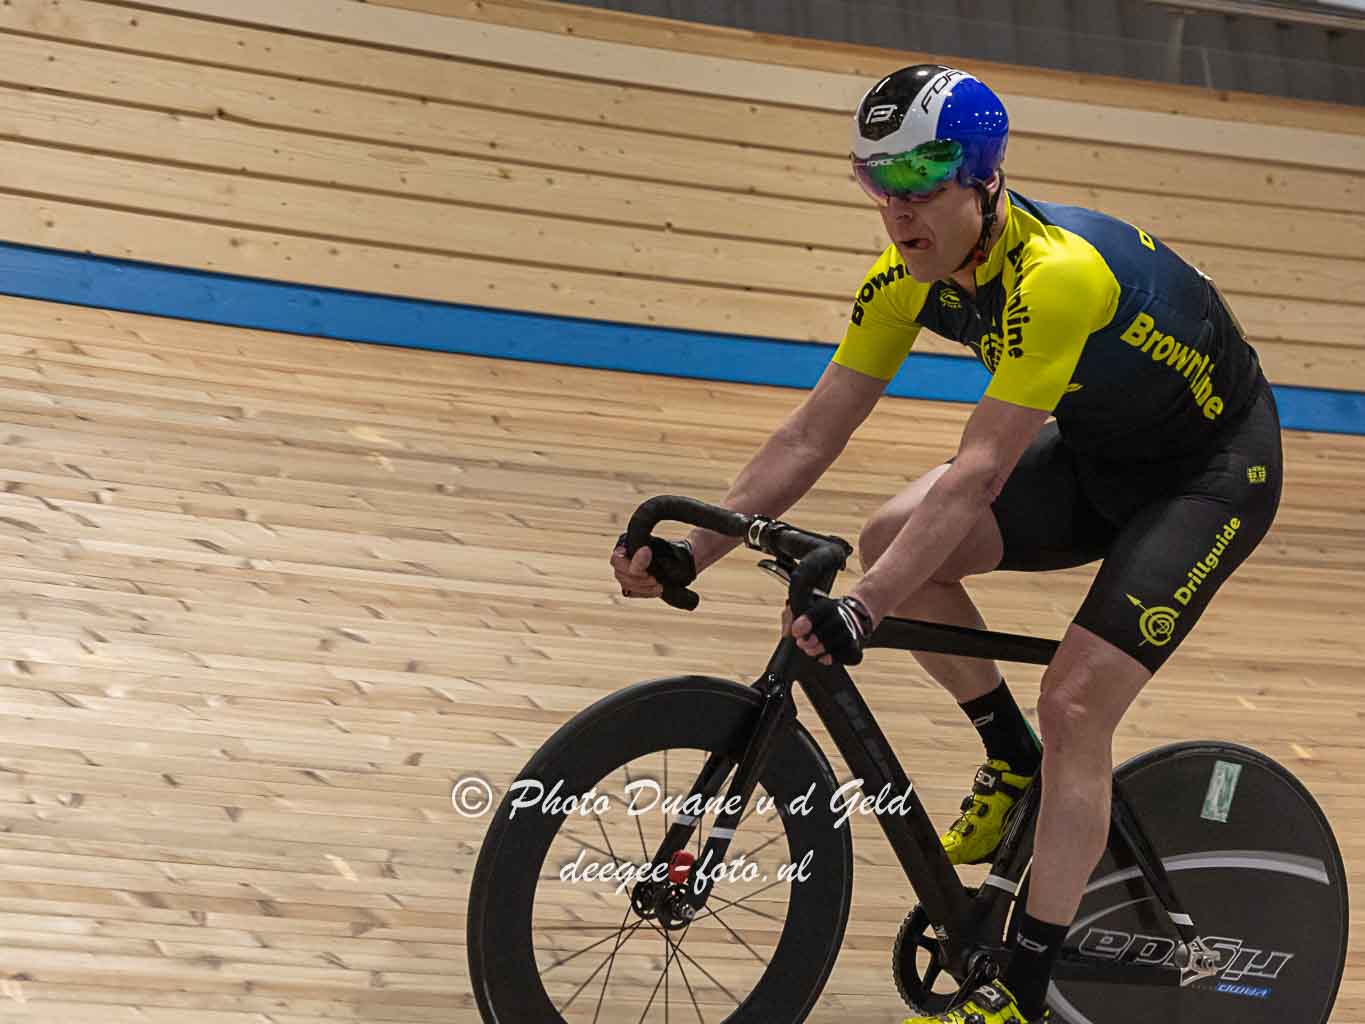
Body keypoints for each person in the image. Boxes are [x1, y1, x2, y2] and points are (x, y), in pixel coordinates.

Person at [610, 64, 1282, 1024]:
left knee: (1076, 700)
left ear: (981, 178)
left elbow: (978, 474)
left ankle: (1021, 989)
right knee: (892, 536)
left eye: (919, 181)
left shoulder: (1057, 277)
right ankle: (1008, 755)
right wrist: (695, 550)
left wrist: (864, 605)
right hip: (1100, 456)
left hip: (1207, 478)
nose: (896, 208)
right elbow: (811, 433)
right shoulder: (902, 282)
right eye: (875, 181)